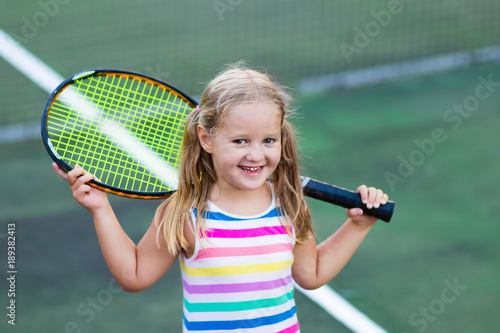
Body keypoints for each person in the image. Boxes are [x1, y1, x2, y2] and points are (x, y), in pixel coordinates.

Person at [53, 63, 389, 333]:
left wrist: (359, 226)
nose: (256, 155)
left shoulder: (288, 204)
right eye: (240, 141)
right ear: (206, 138)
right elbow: (134, 274)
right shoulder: (186, 213)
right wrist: (100, 209)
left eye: (269, 140)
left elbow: (310, 274)